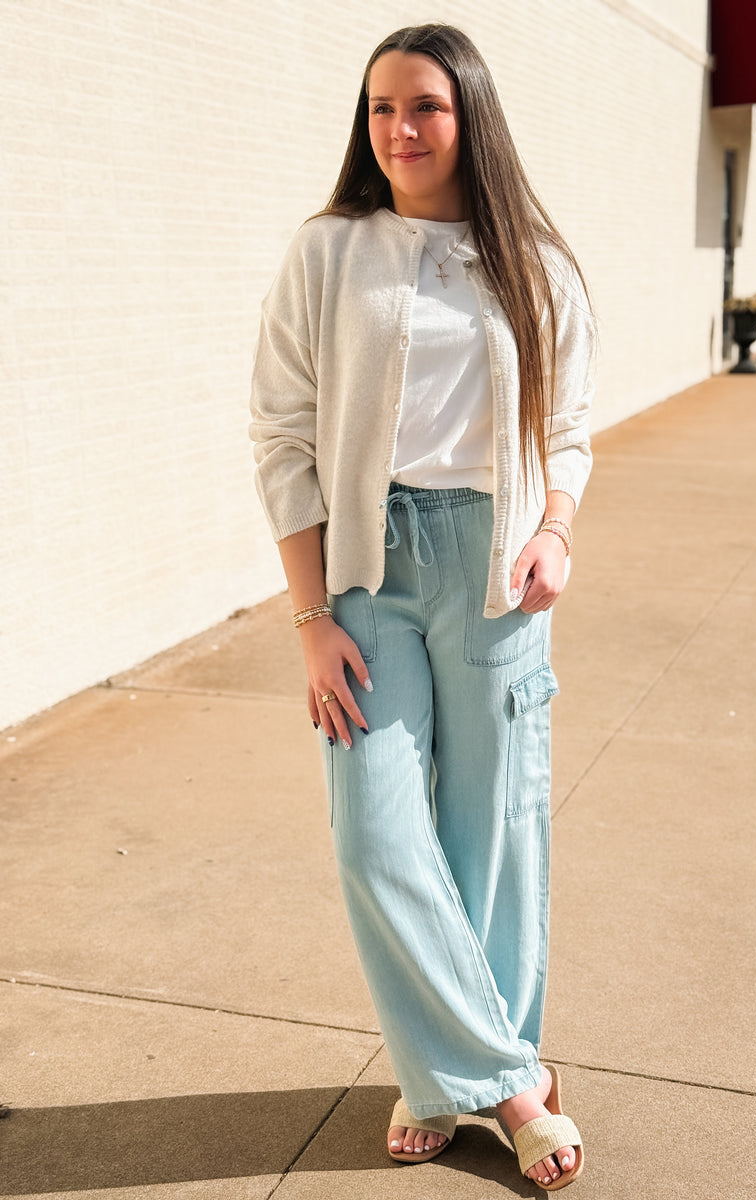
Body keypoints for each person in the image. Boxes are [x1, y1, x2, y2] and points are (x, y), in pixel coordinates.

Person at [249, 23, 594, 1191]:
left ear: (471, 119)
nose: (400, 129)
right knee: (376, 831)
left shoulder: (534, 263)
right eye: (382, 108)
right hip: (365, 575)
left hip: (493, 567)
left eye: (426, 109)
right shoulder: (329, 251)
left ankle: (436, 1075)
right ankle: (509, 1083)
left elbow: (572, 431)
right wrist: (312, 618)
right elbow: (283, 436)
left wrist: (552, 532)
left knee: (492, 835)